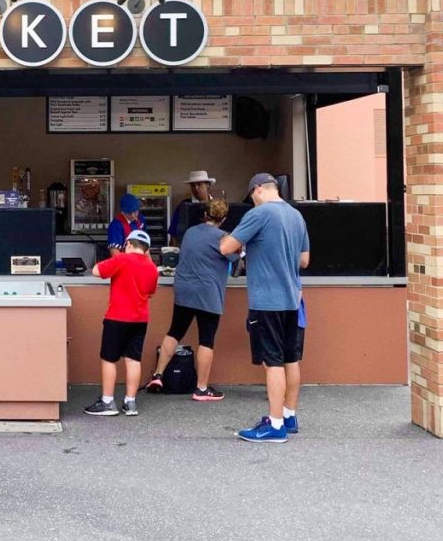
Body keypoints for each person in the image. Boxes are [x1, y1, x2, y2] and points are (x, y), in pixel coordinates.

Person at [223, 173, 310, 443]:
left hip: (267, 301)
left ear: (258, 190)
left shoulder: (258, 215)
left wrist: (245, 250)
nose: (252, 201)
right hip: (293, 300)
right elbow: (304, 260)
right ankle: (288, 415)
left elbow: (226, 246)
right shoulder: (296, 216)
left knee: (272, 363)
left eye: (252, 197)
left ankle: (274, 426)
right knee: (290, 359)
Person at [145, 198, 236, 401]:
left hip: (184, 290)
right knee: (206, 339)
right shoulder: (224, 238)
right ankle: (202, 388)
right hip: (208, 293)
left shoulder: (191, 232)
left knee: (175, 331)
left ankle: (158, 375)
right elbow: (237, 260)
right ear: (224, 218)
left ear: (205, 214)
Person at [84, 229, 158, 417]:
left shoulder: (122, 259)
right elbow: (150, 292)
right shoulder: (152, 268)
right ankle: (130, 402)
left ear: (128, 244)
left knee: (109, 358)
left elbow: (96, 271)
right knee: (133, 359)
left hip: (117, 317)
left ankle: (108, 401)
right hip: (140, 318)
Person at [168, 170, 217, 245]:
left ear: (208, 185)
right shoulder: (184, 205)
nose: (196, 188)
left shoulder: (216, 205)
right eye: (193, 185)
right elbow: (173, 231)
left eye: (199, 184)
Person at [106, 193, 145, 258]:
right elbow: (115, 252)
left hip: (138, 260)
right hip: (124, 261)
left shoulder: (141, 220)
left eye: (135, 212)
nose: (133, 215)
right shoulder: (116, 225)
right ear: (122, 212)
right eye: (129, 213)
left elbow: (144, 246)